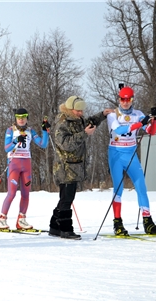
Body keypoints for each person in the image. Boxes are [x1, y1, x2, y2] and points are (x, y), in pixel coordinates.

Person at [48, 95, 114, 240]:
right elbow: (65, 144)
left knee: (66, 197)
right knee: (67, 197)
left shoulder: (78, 120)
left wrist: (102, 114)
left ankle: (54, 226)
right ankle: (65, 228)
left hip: (75, 167)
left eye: (82, 111)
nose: (81, 113)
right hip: (65, 167)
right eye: (78, 111)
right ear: (70, 109)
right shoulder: (62, 122)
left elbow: (91, 121)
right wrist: (84, 134)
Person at [106, 86, 156, 235]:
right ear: (119, 99)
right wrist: (141, 123)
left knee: (141, 185)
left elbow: (151, 131)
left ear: (132, 99)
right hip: (116, 153)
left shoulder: (138, 114)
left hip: (131, 153)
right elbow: (120, 131)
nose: (125, 102)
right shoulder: (113, 115)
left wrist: (155, 120)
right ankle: (118, 223)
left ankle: (148, 221)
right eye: (123, 99)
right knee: (119, 188)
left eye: (128, 99)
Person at [0, 108, 49, 230]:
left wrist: (45, 131)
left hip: (26, 164)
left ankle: (21, 219)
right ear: (15, 118)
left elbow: (43, 144)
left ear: (27, 118)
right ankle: (2, 219)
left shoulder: (30, 131)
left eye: (23, 117)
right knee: (12, 193)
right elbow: (6, 148)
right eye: (18, 117)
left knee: (26, 194)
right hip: (14, 164)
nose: (21, 119)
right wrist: (16, 141)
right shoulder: (10, 130)